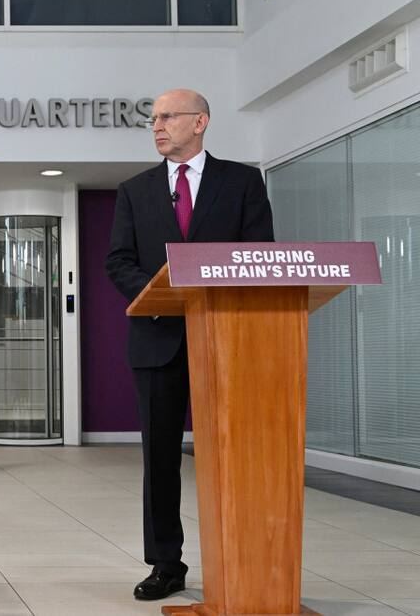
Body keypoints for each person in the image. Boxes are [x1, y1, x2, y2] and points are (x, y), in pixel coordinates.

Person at [105, 88, 274, 601]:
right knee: (160, 459)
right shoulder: (134, 190)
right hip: (158, 340)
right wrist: (160, 293)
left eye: (168, 117)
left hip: (226, 340)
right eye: (152, 118)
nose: (157, 126)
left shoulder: (242, 181)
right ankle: (165, 564)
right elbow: (119, 262)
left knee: (234, 454)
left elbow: (258, 255)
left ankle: (241, 552)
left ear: (200, 121)